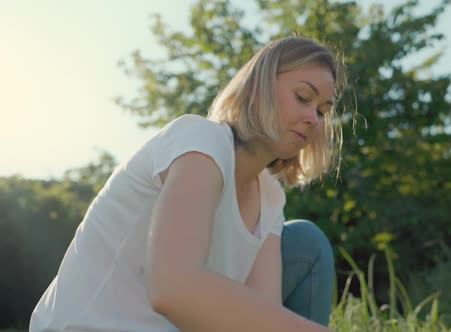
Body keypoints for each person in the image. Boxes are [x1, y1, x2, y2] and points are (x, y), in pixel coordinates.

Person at [30, 36, 346, 332]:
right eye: (303, 97)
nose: (314, 119)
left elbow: (264, 315)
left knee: (306, 243)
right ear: (258, 88)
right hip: (87, 326)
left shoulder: (270, 197)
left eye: (322, 111)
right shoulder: (200, 140)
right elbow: (172, 288)